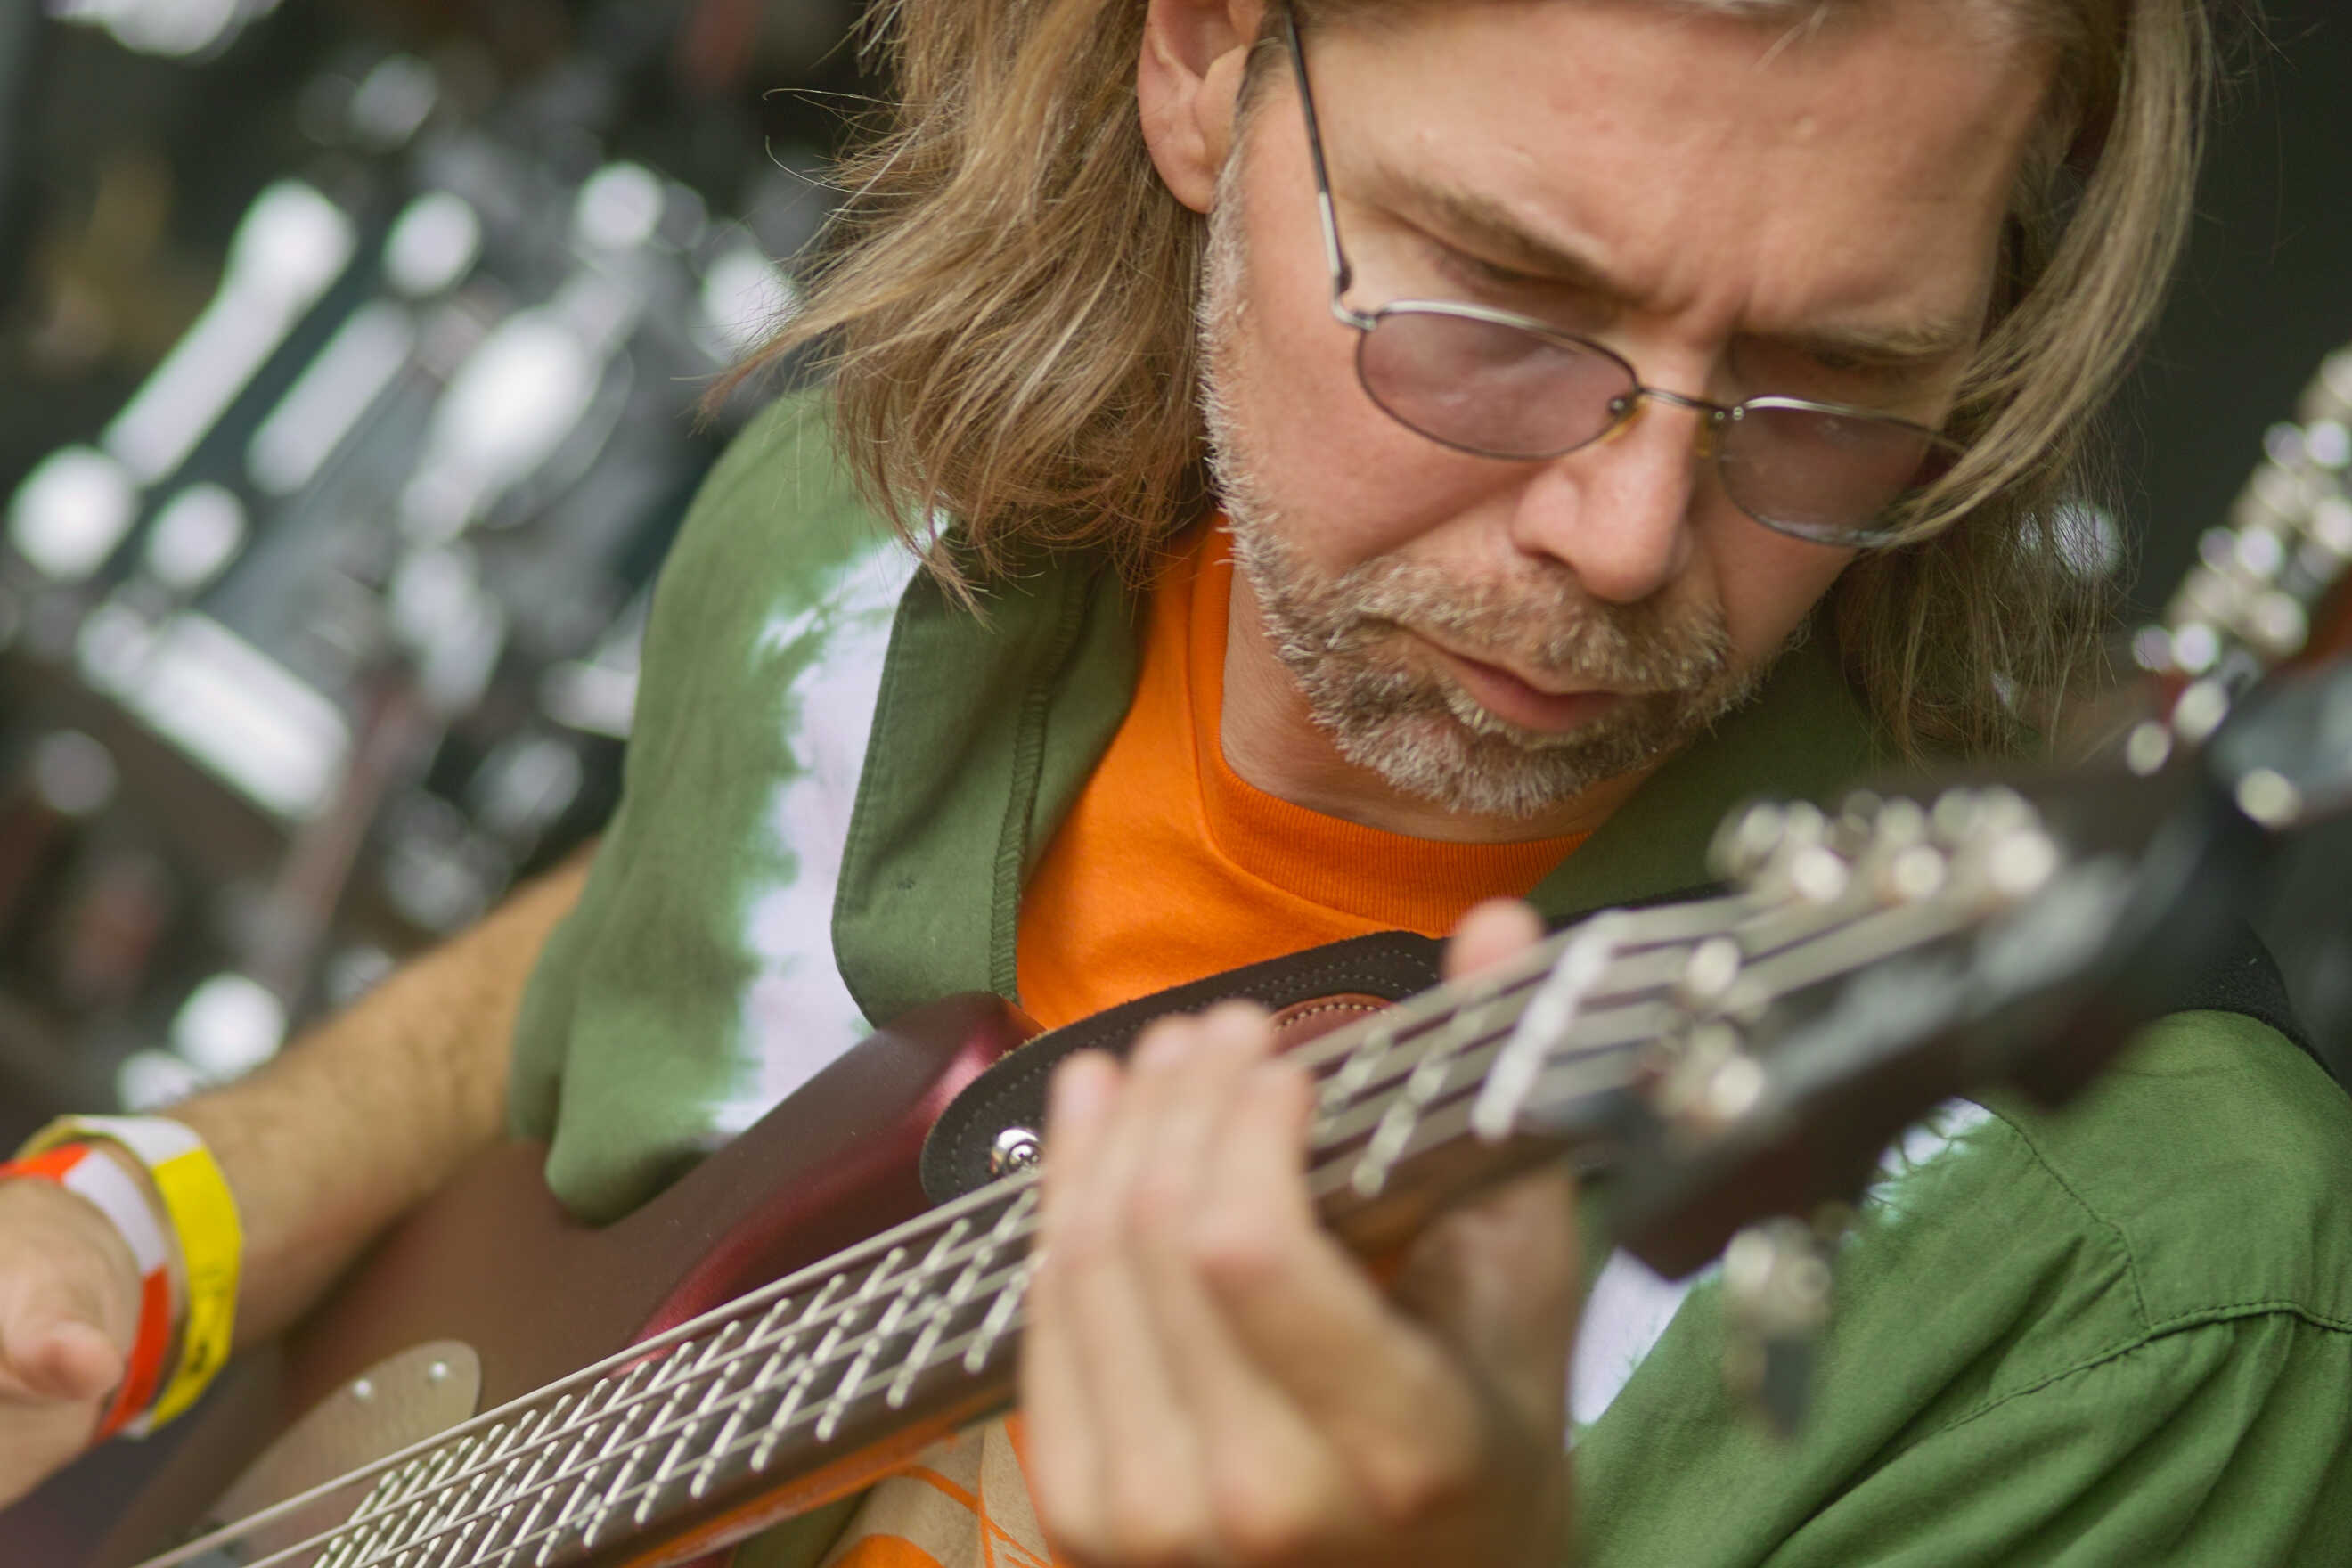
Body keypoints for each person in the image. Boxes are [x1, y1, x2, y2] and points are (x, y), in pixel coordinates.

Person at [5, 0, 2349, 1563]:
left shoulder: (2139, 1304)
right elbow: (629, 933)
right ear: (1207, 58)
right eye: (1497, 309)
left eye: (1831, 387)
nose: (1631, 534)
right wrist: (155, 1219)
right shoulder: (861, 542)